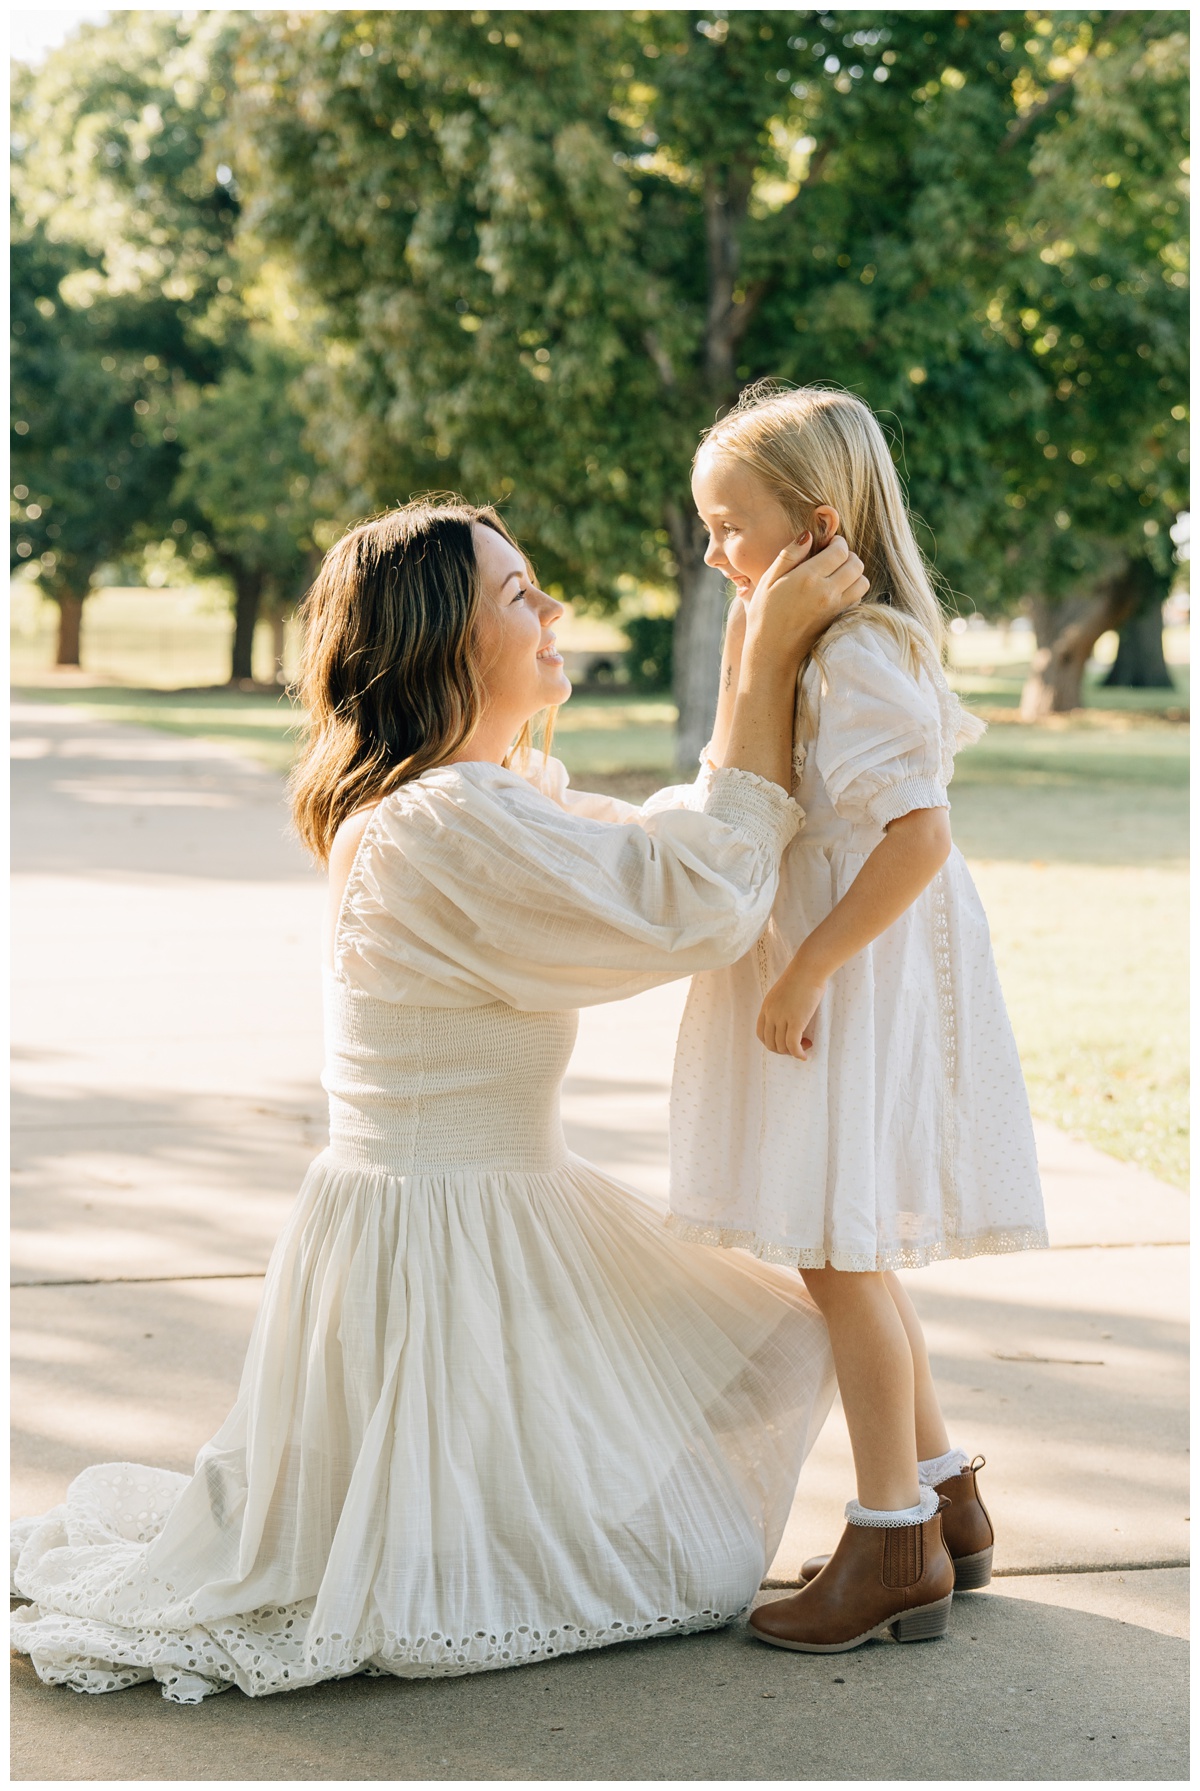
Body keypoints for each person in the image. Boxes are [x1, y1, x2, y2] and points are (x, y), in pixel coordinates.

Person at [11, 498, 867, 1702]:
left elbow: (659, 852)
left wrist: (745, 657)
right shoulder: (442, 822)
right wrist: (771, 657)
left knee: (773, 1341)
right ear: (439, 644)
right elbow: (697, 903)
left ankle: (922, 1497)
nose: (554, 609)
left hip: (487, 1203)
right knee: (753, 1394)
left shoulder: (478, 800)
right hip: (443, 1225)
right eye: (520, 595)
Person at [666, 384, 1047, 1653]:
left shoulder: (859, 650)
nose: (714, 551)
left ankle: (892, 1544)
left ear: (819, 523)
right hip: (836, 958)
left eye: (731, 527)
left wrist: (806, 969)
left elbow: (918, 837)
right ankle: (950, 1502)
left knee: (838, 1253)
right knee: (852, 1244)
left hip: (857, 970)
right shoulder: (806, 642)